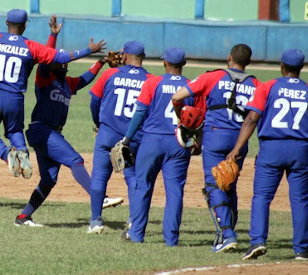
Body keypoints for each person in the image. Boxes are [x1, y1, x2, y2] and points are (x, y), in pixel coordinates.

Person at [0, 9, 106, 180]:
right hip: (14, 98)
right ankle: (22, 151)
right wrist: (89, 50)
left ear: (6, 23)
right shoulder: (31, 46)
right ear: (25, 25)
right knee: (15, 131)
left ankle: (6, 154)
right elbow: (61, 58)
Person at [15, 16, 122, 227]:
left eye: (64, 61)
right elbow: (48, 57)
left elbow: (84, 79)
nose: (63, 63)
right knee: (75, 160)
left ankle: (23, 217)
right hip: (42, 130)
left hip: (51, 133)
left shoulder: (66, 84)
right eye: (60, 60)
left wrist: (100, 62)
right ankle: (99, 196)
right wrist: (53, 35)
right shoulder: (45, 77)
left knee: (48, 181)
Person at [226, 49, 308, 261]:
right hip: (301, 150)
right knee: (300, 200)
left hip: (271, 149)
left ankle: (257, 241)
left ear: (281, 66)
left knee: (262, 197)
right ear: (301, 68)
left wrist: (236, 149)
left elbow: (252, 118)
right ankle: (301, 249)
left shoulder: (268, 87)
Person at [171, 43, 260, 252]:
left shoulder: (212, 77)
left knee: (214, 184)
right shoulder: (256, 84)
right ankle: (224, 233)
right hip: (240, 139)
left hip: (215, 135)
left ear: (229, 58)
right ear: (248, 62)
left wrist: (181, 117)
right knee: (229, 184)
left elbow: (177, 97)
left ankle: (228, 235)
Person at [118, 47, 201, 245]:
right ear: (183, 64)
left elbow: (139, 113)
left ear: (165, 63)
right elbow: (199, 119)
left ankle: (136, 234)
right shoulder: (191, 86)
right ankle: (171, 239)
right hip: (179, 143)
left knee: (142, 187)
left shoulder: (153, 82)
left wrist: (127, 139)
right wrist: (198, 141)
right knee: (175, 192)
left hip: (152, 142)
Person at [87, 40, 153, 234]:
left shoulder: (110, 74)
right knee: (132, 178)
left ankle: (95, 222)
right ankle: (134, 220)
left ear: (125, 56)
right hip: (133, 137)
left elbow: (94, 102)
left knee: (99, 176)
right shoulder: (151, 80)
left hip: (107, 133)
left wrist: (98, 123)